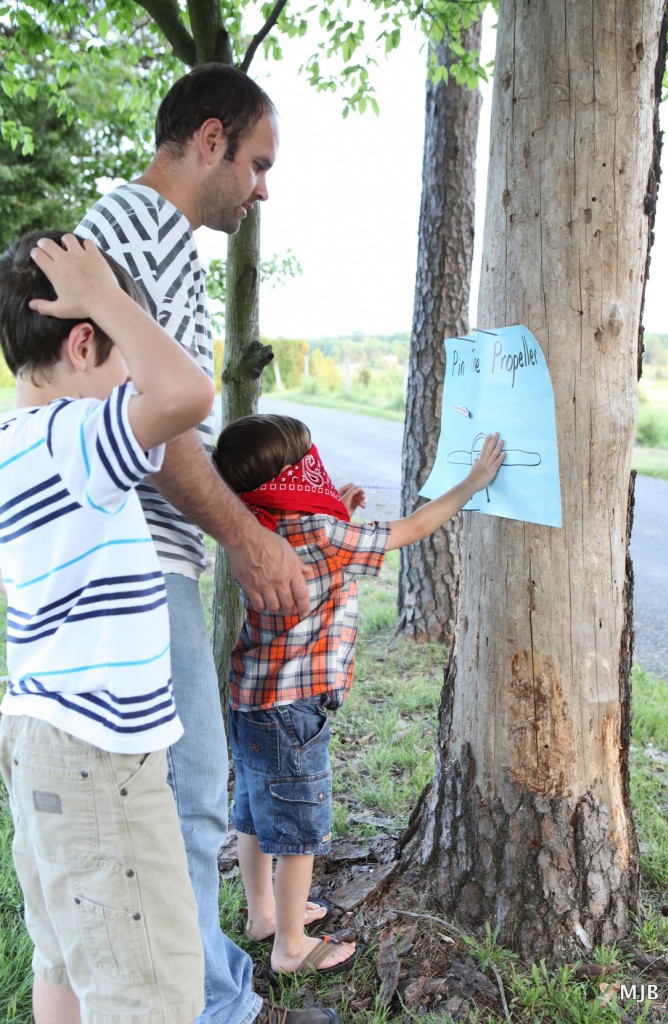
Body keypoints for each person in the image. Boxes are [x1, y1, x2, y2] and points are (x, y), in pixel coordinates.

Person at [77, 64, 338, 1024]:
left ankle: (218, 984)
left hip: (140, 558)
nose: (263, 189)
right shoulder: (144, 232)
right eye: (260, 165)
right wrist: (250, 544)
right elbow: (150, 425)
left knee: (176, 800)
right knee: (187, 803)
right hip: (138, 563)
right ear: (213, 138)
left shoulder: (137, 233)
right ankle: (213, 1011)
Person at [0, 230, 216, 1023]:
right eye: (120, 345)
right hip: (100, 757)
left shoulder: (11, 445)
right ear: (85, 340)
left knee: (65, 959)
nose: (131, 371)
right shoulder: (73, 438)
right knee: (147, 992)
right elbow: (188, 393)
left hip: (37, 741)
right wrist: (112, 298)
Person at [212, 413, 506, 979]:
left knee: (251, 815)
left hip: (251, 698)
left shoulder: (255, 522)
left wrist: (337, 511)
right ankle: (292, 946)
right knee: (297, 833)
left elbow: (318, 550)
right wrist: (471, 483)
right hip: (297, 708)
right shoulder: (324, 533)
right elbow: (411, 529)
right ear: (294, 475)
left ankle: (263, 915)